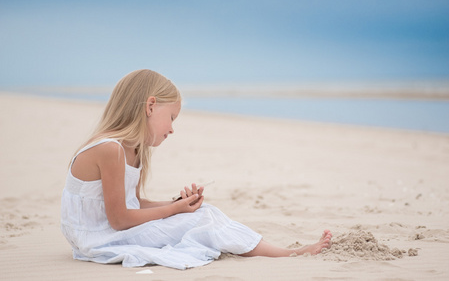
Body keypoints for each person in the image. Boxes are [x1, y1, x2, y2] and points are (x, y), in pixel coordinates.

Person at [60, 69, 332, 270]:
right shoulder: (110, 149)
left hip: (112, 229)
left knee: (201, 212)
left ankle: (281, 251)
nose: (171, 129)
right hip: (98, 238)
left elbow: (135, 202)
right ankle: (289, 254)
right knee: (202, 219)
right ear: (151, 106)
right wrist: (173, 211)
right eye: (171, 118)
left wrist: (178, 203)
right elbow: (119, 218)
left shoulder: (134, 150)